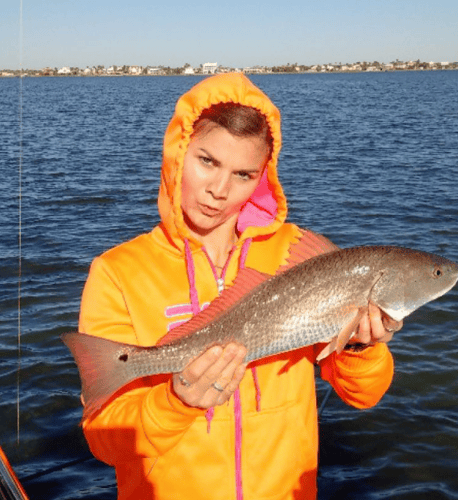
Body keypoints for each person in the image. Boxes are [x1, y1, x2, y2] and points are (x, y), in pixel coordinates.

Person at [78, 73, 400, 500]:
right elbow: (104, 441)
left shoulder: (298, 254)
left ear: (263, 177)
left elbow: (364, 396)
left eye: (244, 174)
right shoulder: (117, 271)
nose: (219, 190)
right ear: (177, 153)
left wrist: (361, 349)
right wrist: (175, 402)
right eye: (206, 161)